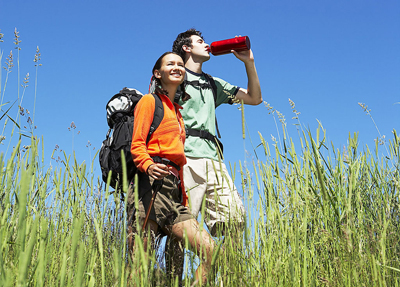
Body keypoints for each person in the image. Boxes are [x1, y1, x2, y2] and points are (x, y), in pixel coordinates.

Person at [166, 28, 262, 280]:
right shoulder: (174, 75)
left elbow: (254, 98)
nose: (207, 44)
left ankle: (224, 279)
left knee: (235, 222)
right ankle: (172, 280)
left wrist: (249, 63)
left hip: (215, 162)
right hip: (185, 159)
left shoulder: (212, 83)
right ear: (186, 48)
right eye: (200, 41)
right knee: (183, 227)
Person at [127, 51, 217, 286]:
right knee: (140, 265)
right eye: (170, 64)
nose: (177, 67)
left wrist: (182, 193)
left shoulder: (177, 113)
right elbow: (136, 144)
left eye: (180, 64)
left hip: (174, 192)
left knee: (212, 251)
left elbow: (178, 159)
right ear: (158, 73)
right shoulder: (149, 101)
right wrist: (147, 165)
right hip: (150, 187)